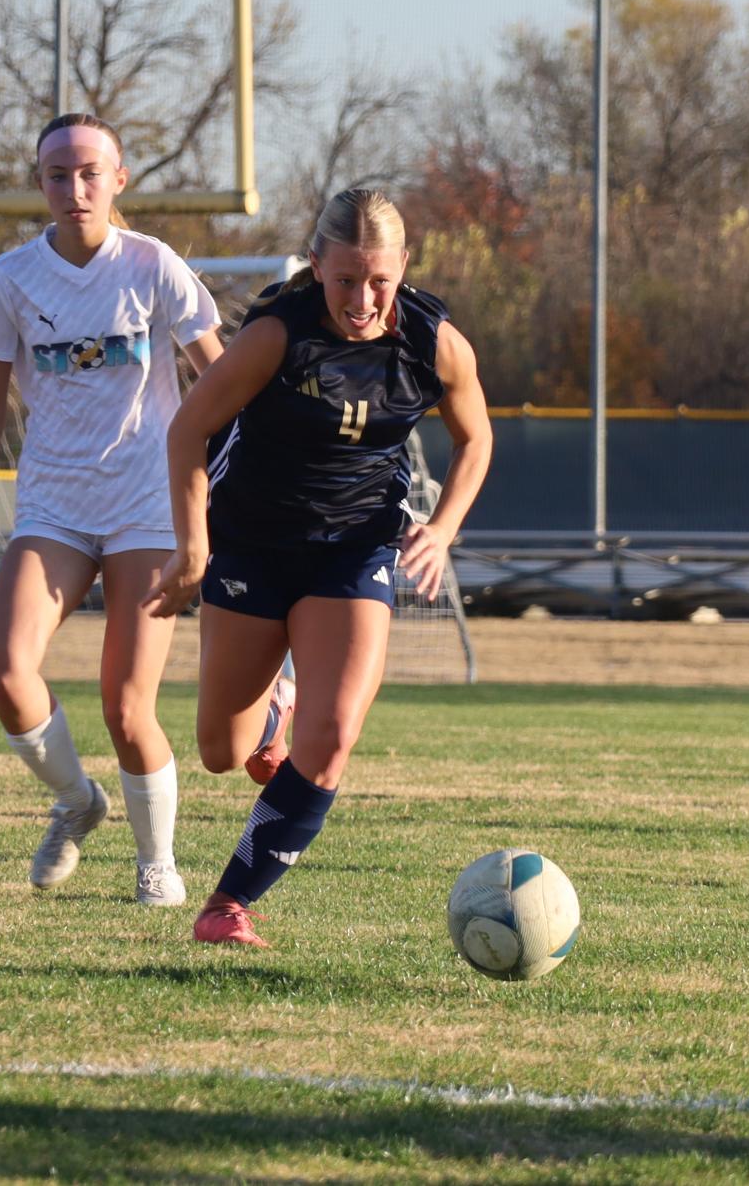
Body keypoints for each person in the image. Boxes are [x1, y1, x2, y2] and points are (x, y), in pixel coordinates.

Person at [148, 188, 492, 947]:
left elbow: (475, 438)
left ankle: (227, 904)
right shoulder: (276, 336)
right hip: (251, 544)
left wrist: (441, 529)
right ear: (317, 268)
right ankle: (275, 706)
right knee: (220, 752)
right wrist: (193, 544)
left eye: (379, 280)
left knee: (333, 736)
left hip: (355, 547)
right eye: (344, 281)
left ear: (403, 268)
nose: (363, 299)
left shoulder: (435, 343)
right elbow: (188, 432)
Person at [0, 113, 227, 907]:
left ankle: (157, 863)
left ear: (118, 179)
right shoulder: (10, 280)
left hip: (147, 509)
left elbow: (223, 387)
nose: (73, 189)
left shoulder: (154, 266)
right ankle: (78, 801)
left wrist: (214, 517)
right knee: (7, 674)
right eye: (56, 175)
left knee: (125, 705)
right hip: (53, 507)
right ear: (38, 183)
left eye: (88, 173)